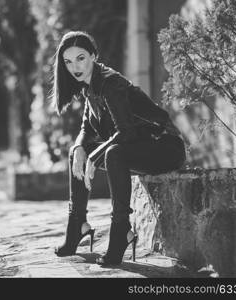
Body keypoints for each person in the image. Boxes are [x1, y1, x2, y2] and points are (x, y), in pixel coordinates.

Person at [52, 31, 186, 265]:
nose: (75, 66)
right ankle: (77, 226)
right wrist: (80, 148)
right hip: (136, 148)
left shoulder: (109, 83)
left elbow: (126, 132)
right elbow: (86, 127)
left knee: (113, 152)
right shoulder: (89, 85)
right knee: (78, 152)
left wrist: (94, 156)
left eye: (81, 58)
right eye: (68, 61)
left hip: (164, 147)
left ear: (94, 55)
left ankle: (121, 229)